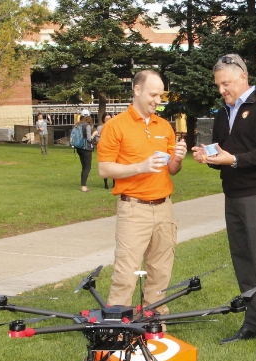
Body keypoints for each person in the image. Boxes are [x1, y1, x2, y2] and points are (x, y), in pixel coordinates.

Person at [192, 53, 256, 357]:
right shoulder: (224, 113)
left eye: (225, 84)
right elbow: (225, 156)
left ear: (242, 77)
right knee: (242, 259)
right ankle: (254, 324)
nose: (221, 90)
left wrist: (234, 159)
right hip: (233, 193)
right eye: (218, 85)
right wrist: (210, 158)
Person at [97, 70, 187, 313]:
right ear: (137, 90)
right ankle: (117, 330)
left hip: (164, 208)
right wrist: (140, 167)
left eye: (161, 95)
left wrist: (178, 158)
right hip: (134, 208)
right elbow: (104, 169)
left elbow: (172, 169)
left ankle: (154, 322)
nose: (158, 100)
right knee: (126, 272)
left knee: (160, 271)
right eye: (153, 94)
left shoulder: (165, 126)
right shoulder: (115, 126)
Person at [73, 109, 94, 191]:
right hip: (86, 148)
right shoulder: (87, 126)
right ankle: (83, 186)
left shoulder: (77, 125)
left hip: (79, 147)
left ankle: (83, 184)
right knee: (87, 167)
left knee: (84, 167)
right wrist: (94, 134)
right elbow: (89, 139)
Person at [94, 112, 114, 189]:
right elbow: (98, 138)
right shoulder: (100, 128)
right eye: (106, 119)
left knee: (114, 166)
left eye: (109, 118)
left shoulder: (114, 126)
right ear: (103, 119)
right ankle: (105, 183)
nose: (108, 120)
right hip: (105, 149)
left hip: (113, 148)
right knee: (105, 166)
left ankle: (114, 183)